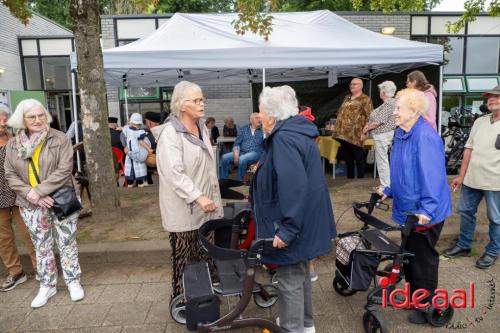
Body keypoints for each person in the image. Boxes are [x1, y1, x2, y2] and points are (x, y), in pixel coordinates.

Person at [253, 86, 336, 333]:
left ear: (271, 114)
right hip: (306, 219)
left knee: (289, 277)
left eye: (261, 111)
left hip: (294, 222)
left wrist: (287, 231)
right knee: (300, 274)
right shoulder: (295, 132)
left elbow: (294, 187)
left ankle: (291, 328)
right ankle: (305, 324)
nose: (258, 116)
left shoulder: (284, 138)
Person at [377, 88, 451, 325]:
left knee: (423, 259)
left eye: (398, 108)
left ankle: (426, 303)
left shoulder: (425, 137)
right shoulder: (401, 133)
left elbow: (433, 177)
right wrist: (388, 190)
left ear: (414, 111)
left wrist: (426, 210)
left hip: (424, 212)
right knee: (408, 256)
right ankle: (414, 295)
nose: (395, 112)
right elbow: (401, 171)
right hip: (408, 208)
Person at [4, 99, 84, 308]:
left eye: (41, 115)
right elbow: (10, 174)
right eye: (32, 117)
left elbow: (64, 170)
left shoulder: (60, 138)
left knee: (67, 243)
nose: (38, 120)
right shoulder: (13, 144)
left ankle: (73, 281)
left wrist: (39, 191)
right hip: (30, 203)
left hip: (60, 200)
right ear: (22, 120)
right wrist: (31, 193)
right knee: (41, 246)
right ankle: (47, 285)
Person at [151, 81, 223, 300]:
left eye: (202, 99)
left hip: (206, 207)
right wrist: (198, 196)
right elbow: (174, 173)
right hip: (184, 209)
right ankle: (182, 301)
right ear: (182, 105)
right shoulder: (170, 134)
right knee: (185, 258)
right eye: (196, 100)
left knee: (206, 254)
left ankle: (206, 297)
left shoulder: (201, 127)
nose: (202, 104)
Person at [444, 85, 500, 269]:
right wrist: (461, 175)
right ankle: (464, 245)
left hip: (495, 182)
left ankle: (492, 251)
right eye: (489, 97)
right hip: (472, 179)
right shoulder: (480, 122)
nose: (491, 99)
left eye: (496, 97)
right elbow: (468, 149)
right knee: (465, 211)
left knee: (495, 218)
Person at [0, 105, 37, 292]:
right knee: (3, 237)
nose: (3, 121)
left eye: (5, 117)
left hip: (19, 194)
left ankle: (41, 268)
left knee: (28, 232)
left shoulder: (15, 141)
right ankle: (16, 272)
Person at [335, 78, 373, 178]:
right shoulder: (347, 97)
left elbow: (370, 116)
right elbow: (340, 112)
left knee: (359, 157)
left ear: (360, 86)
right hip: (342, 134)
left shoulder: (365, 99)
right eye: (351, 84)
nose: (352, 86)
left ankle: (360, 179)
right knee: (347, 157)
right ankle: (350, 178)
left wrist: (365, 132)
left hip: (356, 133)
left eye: (354, 84)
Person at [362, 81, 397, 190]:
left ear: (384, 92)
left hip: (383, 134)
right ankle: (385, 184)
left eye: (380, 90)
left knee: (382, 161)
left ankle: (385, 186)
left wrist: (366, 128)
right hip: (382, 134)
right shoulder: (388, 103)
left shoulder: (390, 103)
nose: (379, 92)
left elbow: (379, 121)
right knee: (383, 160)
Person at [220, 113, 264, 181]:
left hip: (256, 152)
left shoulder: (263, 129)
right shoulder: (244, 129)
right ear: (251, 120)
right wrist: (236, 153)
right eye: (257, 118)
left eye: (260, 118)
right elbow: (237, 143)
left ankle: (240, 181)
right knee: (224, 157)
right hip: (242, 152)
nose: (259, 120)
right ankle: (223, 180)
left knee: (242, 158)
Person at [121, 113, 151, 188]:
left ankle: (138, 182)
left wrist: (125, 146)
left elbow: (142, 141)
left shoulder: (130, 130)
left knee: (136, 167)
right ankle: (133, 182)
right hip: (133, 152)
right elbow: (141, 142)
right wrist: (149, 149)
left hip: (135, 152)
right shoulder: (127, 130)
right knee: (134, 168)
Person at [144, 112, 161, 185]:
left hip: (152, 160)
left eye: (145, 122)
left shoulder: (146, 135)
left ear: (149, 123)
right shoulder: (164, 132)